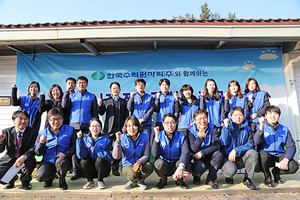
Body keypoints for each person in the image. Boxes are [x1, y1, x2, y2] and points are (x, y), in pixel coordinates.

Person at [62, 76, 99, 180]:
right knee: (75, 148)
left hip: (86, 126)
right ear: (76, 85)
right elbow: (64, 105)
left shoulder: (91, 96)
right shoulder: (72, 96)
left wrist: (94, 125)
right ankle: (77, 171)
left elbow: (95, 112)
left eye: (83, 83)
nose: (81, 85)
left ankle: (87, 170)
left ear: (87, 84)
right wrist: (66, 91)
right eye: (79, 83)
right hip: (73, 126)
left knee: (87, 147)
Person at [254, 106, 299, 187]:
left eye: (276, 114)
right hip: (266, 158)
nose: (273, 116)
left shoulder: (285, 129)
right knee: (263, 155)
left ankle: (276, 172)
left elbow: (291, 147)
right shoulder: (260, 127)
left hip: (279, 157)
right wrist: (261, 127)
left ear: (279, 116)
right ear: (266, 116)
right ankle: (267, 177)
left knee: (293, 166)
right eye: (270, 114)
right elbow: (256, 142)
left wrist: (286, 159)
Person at [35, 108, 76, 190]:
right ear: (49, 120)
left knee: (61, 163)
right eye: (53, 119)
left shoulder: (70, 130)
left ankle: (62, 180)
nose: (56, 122)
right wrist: (41, 143)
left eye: (59, 119)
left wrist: (66, 153)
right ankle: (50, 178)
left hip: (63, 160)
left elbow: (74, 146)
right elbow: (37, 152)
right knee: (40, 177)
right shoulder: (43, 133)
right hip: (48, 160)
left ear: (62, 119)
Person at [220, 106, 258, 190]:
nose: (238, 117)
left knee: (253, 153)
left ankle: (247, 179)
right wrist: (226, 128)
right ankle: (229, 176)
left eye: (240, 115)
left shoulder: (247, 129)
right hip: (228, 157)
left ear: (244, 116)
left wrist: (236, 150)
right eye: (235, 115)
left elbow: (251, 144)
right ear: (231, 117)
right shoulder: (225, 128)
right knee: (230, 171)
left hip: (241, 157)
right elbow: (223, 142)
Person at [0, 110, 38, 190]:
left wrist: (24, 156)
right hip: (9, 159)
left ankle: (25, 182)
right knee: (1, 178)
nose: (23, 121)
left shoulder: (33, 132)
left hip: (26, 159)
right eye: (20, 119)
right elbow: (1, 150)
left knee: (30, 162)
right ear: (13, 120)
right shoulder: (6, 132)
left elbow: (34, 147)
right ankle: (11, 179)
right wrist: (0, 142)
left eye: (26, 119)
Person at [112, 116, 153, 190]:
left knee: (149, 166)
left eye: (134, 125)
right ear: (126, 127)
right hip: (127, 164)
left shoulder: (145, 137)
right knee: (133, 175)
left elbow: (147, 155)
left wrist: (140, 161)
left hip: (140, 163)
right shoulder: (122, 137)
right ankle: (133, 181)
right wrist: (117, 141)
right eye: (129, 126)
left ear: (138, 126)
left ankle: (140, 180)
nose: (132, 128)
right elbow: (116, 157)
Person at [98, 82, 129, 176]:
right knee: (107, 149)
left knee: (118, 149)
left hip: (120, 130)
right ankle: (106, 168)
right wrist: (100, 105)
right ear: (110, 90)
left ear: (120, 90)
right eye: (113, 88)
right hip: (108, 129)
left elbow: (127, 117)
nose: (115, 90)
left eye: (117, 88)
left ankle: (115, 168)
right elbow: (101, 113)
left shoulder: (124, 102)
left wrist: (124, 129)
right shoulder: (106, 101)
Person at [152, 113, 190, 189]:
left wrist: (181, 166)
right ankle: (163, 180)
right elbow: (155, 154)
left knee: (186, 162)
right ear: (163, 124)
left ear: (176, 124)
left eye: (172, 122)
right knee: (158, 163)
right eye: (167, 123)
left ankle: (179, 181)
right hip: (164, 164)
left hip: (176, 165)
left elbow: (185, 152)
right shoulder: (159, 135)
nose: (170, 125)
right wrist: (156, 138)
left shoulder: (182, 136)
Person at [186, 109, 223, 189]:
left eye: (205, 118)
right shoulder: (190, 131)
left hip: (208, 155)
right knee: (200, 167)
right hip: (196, 158)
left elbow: (216, 145)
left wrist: (202, 152)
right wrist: (199, 138)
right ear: (195, 121)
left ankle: (211, 179)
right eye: (199, 119)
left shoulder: (213, 128)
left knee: (218, 155)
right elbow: (193, 149)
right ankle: (196, 177)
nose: (202, 121)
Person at [76, 118, 113, 189]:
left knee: (100, 159)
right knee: (83, 161)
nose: (95, 128)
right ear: (89, 128)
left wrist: (96, 150)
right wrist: (79, 139)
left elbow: (110, 157)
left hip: (103, 169)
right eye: (92, 126)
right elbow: (80, 155)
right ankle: (90, 181)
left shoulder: (106, 140)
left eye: (97, 126)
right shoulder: (84, 140)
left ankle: (100, 180)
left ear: (101, 128)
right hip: (90, 169)